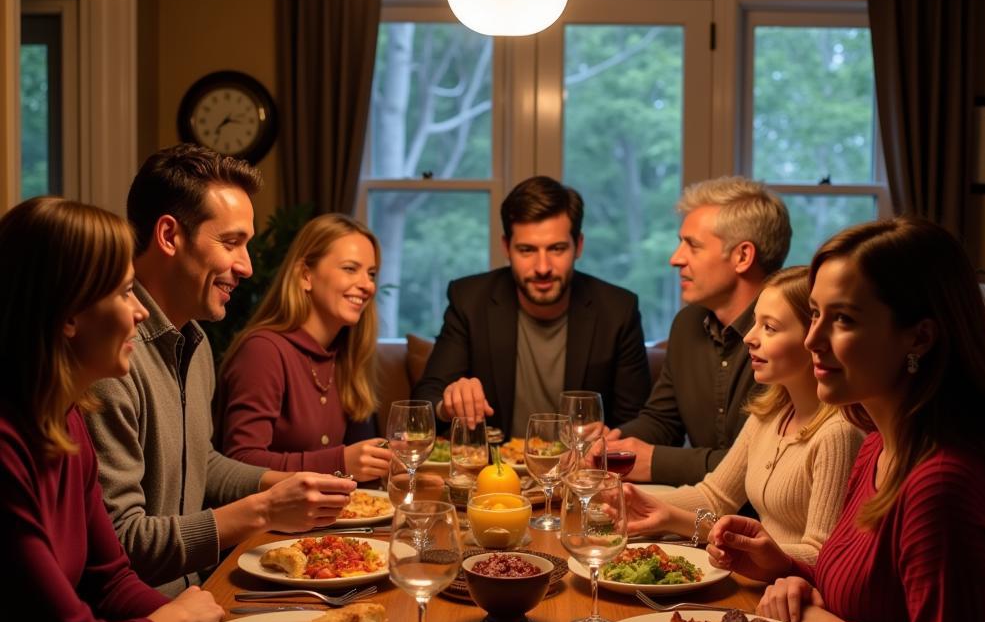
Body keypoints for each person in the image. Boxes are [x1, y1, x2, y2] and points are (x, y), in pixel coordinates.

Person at [707, 217, 985, 622]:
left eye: (843, 319)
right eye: (817, 314)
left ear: (920, 338)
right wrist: (787, 569)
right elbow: (882, 600)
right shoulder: (878, 440)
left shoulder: (941, 486)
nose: (812, 339)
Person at [0, 197, 224, 622]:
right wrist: (176, 617)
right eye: (126, 292)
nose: (139, 313)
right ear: (69, 314)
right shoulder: (6, 447)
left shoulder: (68, 421)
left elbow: (110, 579)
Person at [87, 145, 355, 596]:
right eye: (231, 243)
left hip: (202, 591)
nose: (247, 266)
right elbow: (123, 543)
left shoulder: (195, 341)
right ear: (170, 236)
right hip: (148, 618)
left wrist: (293, 485)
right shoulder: (110, 357)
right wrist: (265, 511)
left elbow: (200, 463)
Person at [622, 266, 862, 562]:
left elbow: (821, 555)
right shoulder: (770, 412)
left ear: (812, 338)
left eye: (769, 328)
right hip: (757, 579)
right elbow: (715, 497)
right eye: (755, 323)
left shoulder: (838, 433)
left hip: (789, 594)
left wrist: (737, 544)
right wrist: (631, 502)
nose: (749, 337)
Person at [412, 175, 650, 437]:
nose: (543, 268)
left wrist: (611, 436)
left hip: (580, 470)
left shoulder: (618, 311)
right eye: (527, 250)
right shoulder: (469, 300)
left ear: (578, 246)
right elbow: (426, 398)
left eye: (557, 249)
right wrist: (448, 404)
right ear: (506, 247)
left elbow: (639, 421)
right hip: (496, 472)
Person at [609, 176, 791, 486]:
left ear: (743, 256)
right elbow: (663, 420)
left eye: (692, 245)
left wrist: (656, 462)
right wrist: (611, 445)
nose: (675, 259)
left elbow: (763, 465)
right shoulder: (687, 324)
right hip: (700, 508)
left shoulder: (791, 336)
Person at [217, 213, 390, 479]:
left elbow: (363, 465)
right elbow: (241, 462)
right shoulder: (263, 351)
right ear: (305, 275)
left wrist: (393, 466)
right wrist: (339, 462)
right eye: (350, 269)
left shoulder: (347, 354)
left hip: (332, 517)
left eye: (371, 274)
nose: (367, 285)